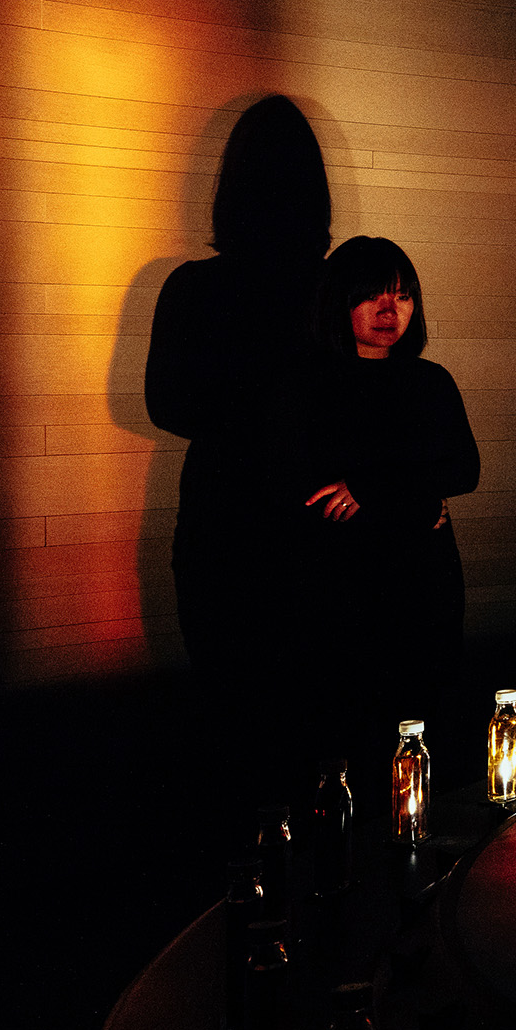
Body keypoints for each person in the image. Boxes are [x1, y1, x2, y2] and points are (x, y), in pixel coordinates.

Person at [145, 95, 331, 806]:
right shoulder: (329, 286)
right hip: (314, 524)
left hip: (221, 521)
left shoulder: (193, 286)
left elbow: (167, 403)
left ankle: (245, 890)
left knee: (234, 729)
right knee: (314, 730)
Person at [302, 237, 479, 756]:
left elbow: (464, 471)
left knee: (429, 724)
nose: (389, 310)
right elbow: (318, 494)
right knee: (351, 735)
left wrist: (375, 489)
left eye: (402, 296)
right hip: (344, 588)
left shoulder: (430, 381)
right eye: (373, 295)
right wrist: (417, 495)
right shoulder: (311, 386)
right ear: (340, 300)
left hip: (425, 585)